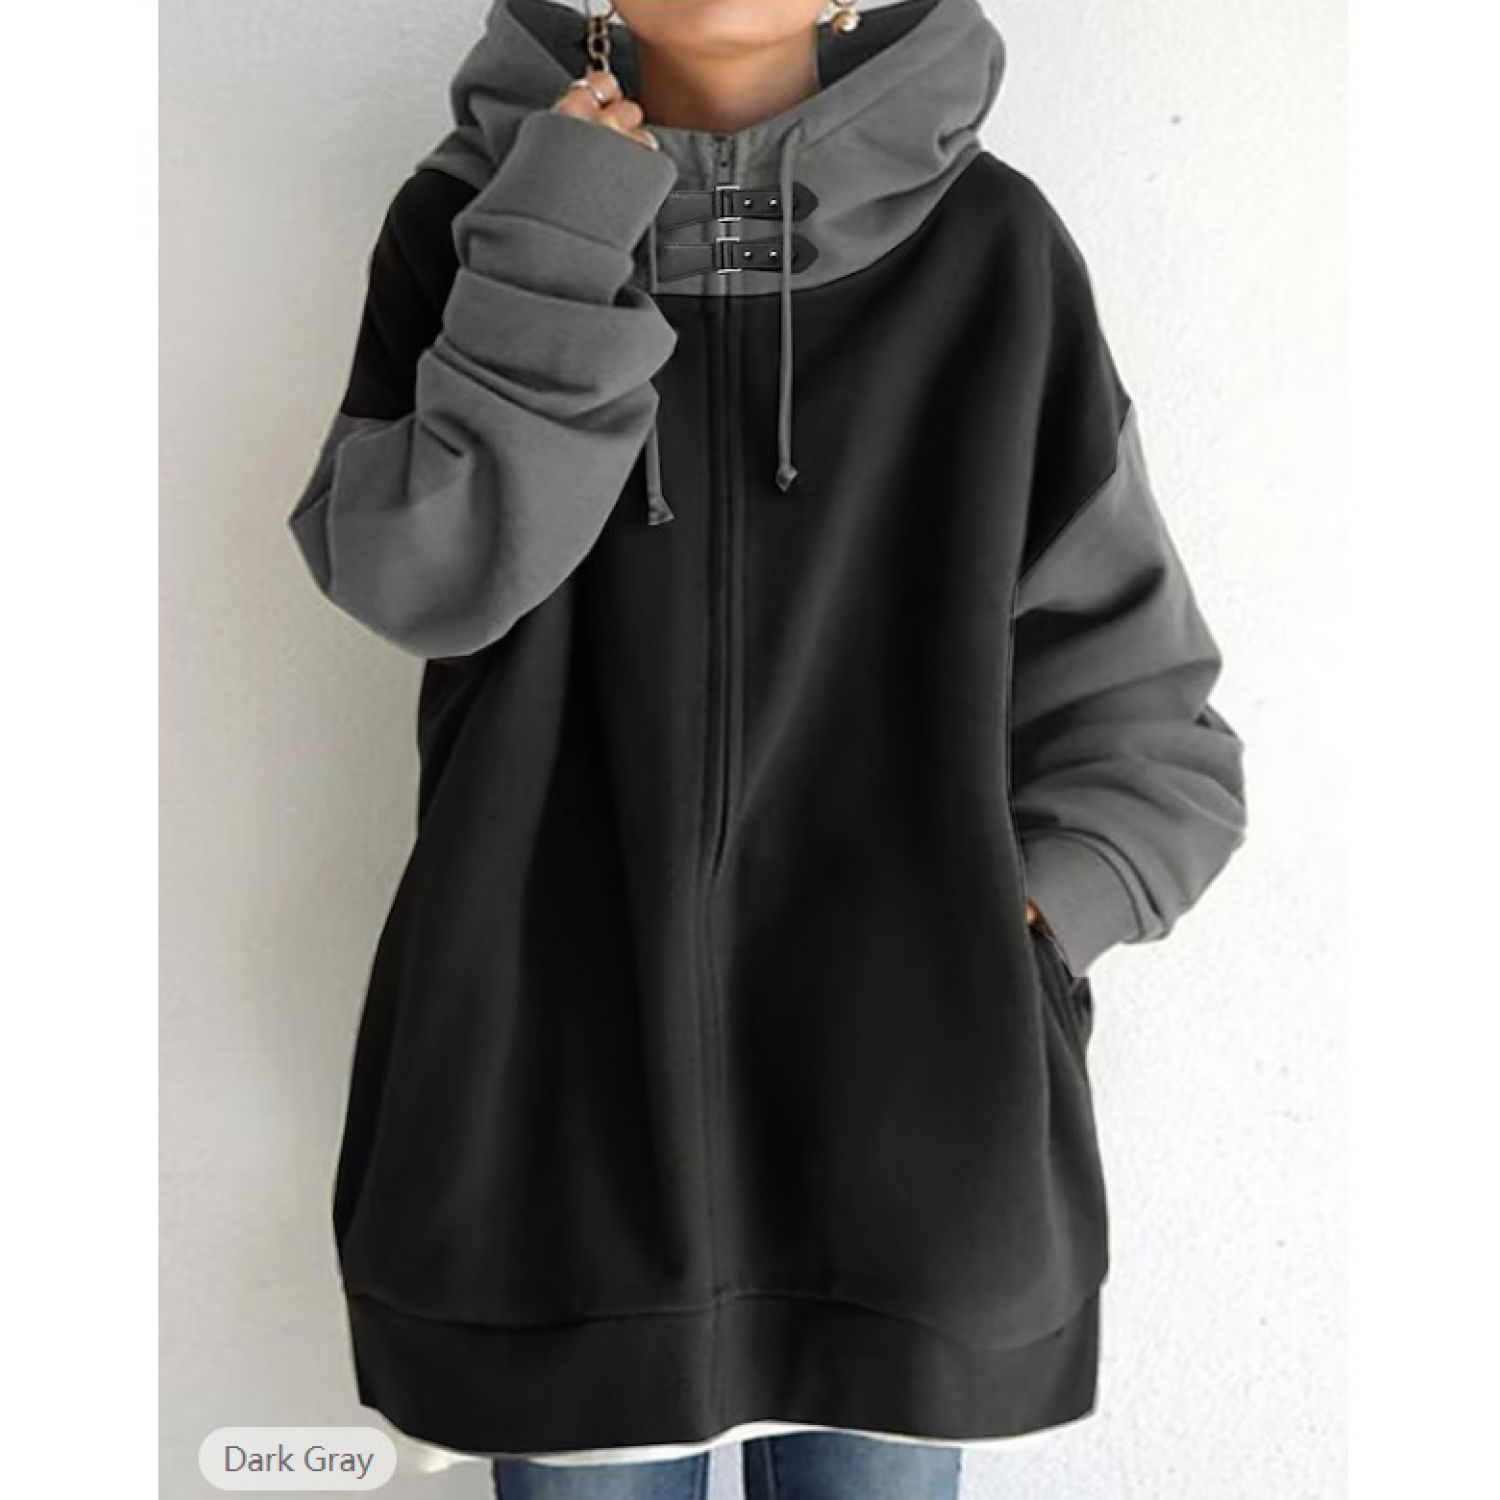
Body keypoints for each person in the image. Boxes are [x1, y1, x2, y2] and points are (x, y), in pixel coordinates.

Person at [286, 0, 1250, 1493]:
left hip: (915, 1127)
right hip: (551, 1113)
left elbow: (1137, 688)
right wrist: (560, 231)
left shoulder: (993, 249)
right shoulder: (475, 221)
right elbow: (421, 577)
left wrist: (1026, 929)